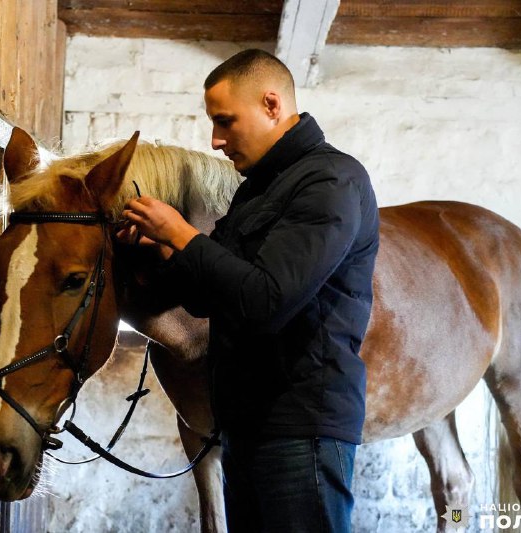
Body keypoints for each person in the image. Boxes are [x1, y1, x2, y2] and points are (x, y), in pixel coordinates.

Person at [118, 49, 379, 532]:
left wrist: (179, 233)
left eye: (225, 122)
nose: (216, 141)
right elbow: (205, 296)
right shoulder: (258, 189)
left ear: (272, 105)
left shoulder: (330, 180)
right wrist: (155, 249)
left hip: (301, 429)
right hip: (249, 423)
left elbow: (265, 302)